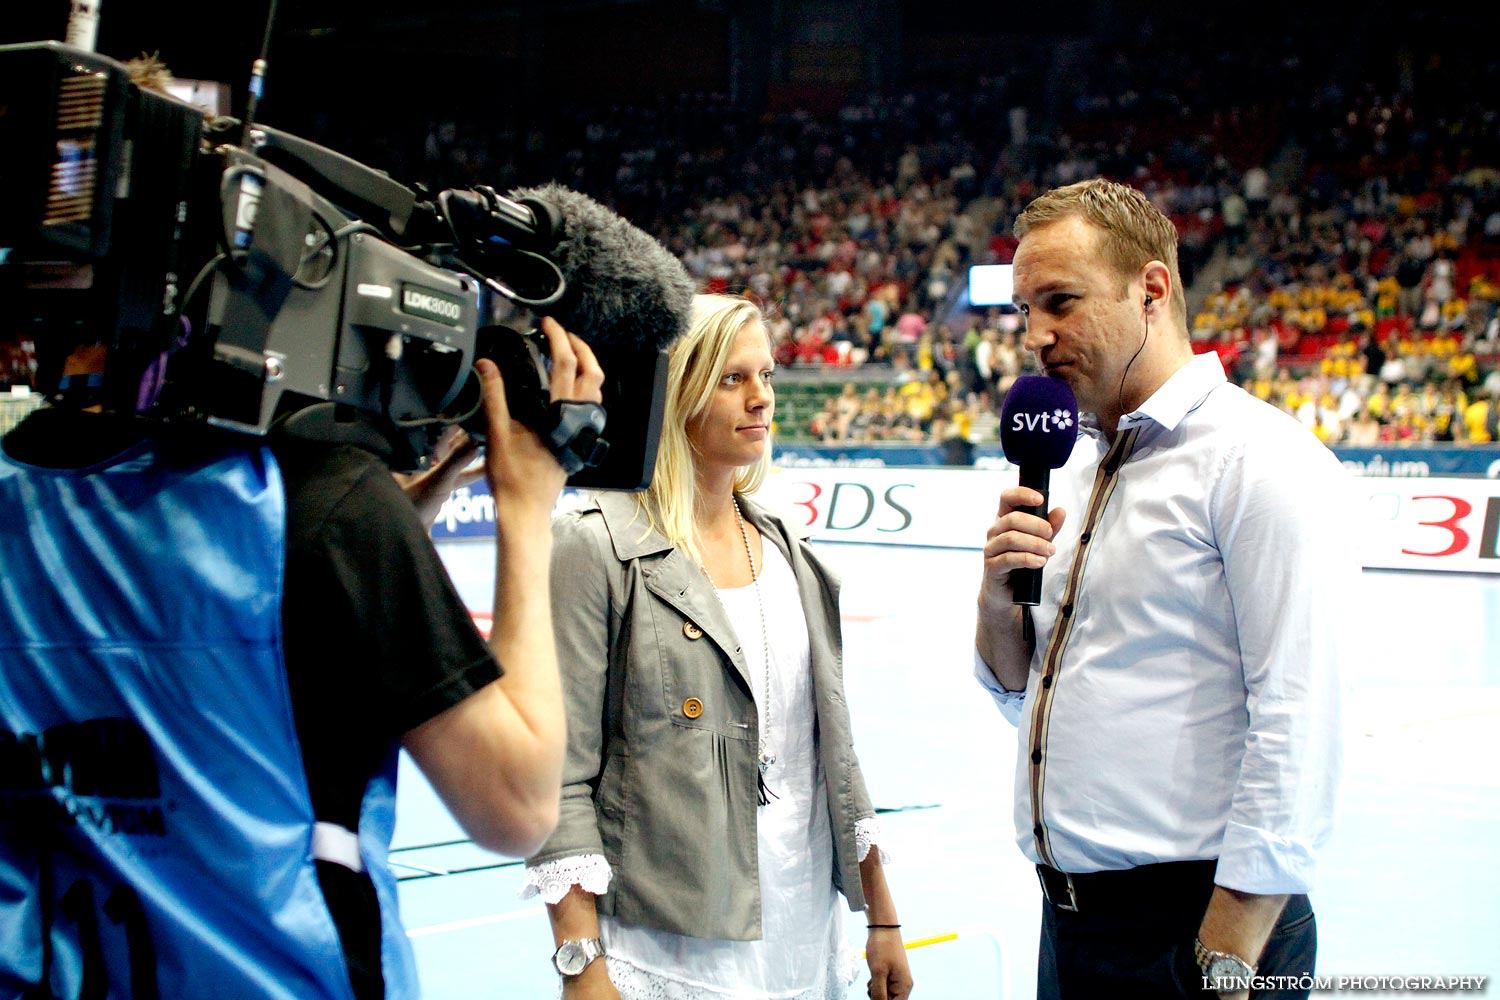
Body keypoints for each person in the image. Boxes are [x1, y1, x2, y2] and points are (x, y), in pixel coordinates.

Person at [1, 312, 601, 999]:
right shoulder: (326, 503)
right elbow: (515, 804)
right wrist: (525, 507)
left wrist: (385, 527)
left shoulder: (15, 491)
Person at [972, 179, 1358, 999]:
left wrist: (1229, 944)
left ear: (1152, 289)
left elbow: (1301, 712)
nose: (1035, 337)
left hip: (1200, 925)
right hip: (1073, 924)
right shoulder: (1078, 463)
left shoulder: (1259, 461)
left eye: (1060, 302)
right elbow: (1022, 690)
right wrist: (997, 596)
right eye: (1023, 310)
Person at [524, 293, 913, 1000]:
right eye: (734, 378)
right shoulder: (596, 545)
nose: (761, 397)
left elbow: (833, 754)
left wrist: (881, 917)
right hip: (667, 952)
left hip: (802, 941)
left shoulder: (794, 555)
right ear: (677, 390)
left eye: (765, 375)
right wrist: (580, 961)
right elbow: (560, 772)